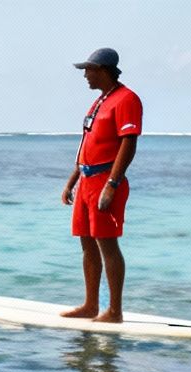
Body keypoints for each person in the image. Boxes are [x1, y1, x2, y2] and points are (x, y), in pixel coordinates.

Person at [61, 47, 143, 323]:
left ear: (103, 71)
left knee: (108, 245)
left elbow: (128, 144)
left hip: (105, 180)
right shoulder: (99, 102)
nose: (85, 75)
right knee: (87, 245)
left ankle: (115, 311)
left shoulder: (126, 99)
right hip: (85, 181)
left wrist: (112, 184)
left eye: (89, 69)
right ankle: (90, 305)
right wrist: (72, 181)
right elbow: (86, 143)